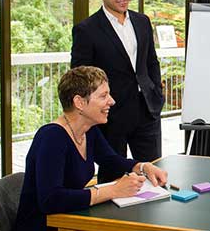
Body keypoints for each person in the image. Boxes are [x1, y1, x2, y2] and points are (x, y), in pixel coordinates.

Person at [15, 66, 168, 231]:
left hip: (69, 221)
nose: (112, 101)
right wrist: (113, 190)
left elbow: (110, 160)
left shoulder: (89, 130)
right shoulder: (52, 137)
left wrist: (143, 167)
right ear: (79, 102)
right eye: (103, 96)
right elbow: (51, 200)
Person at [71, 0, 164, 183]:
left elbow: (151, 61)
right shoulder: (87, 29)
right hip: (110, 115)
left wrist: (156, 91)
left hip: (146, 110)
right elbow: (80, 77)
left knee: (153, 171)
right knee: (112, 175)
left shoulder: (142, 21)